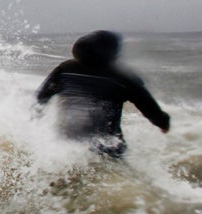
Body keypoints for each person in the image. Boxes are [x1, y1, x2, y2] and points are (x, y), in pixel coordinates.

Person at [35, 30, 170, 157]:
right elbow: (148, 107)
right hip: (108, 146)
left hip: (66, 142)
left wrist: (35, 119)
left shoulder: (65, 68)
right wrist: (163, 123)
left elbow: (42, 96)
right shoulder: (123, 78)